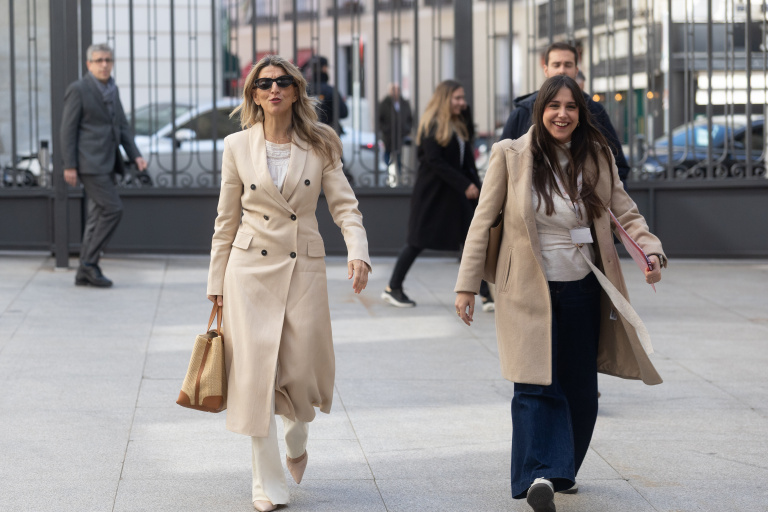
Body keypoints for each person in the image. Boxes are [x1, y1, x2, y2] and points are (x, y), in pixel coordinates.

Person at [454, 75, 667, 512]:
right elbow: (482, 221)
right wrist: (467, 285)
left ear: (580, 113)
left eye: (571, 106)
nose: (563, 114)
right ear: (540, 110)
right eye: (554, 106)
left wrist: (651, 250)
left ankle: (560, 469)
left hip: (583, 286)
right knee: (534, 384)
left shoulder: (597, 155)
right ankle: (538, 475)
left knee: (581, 391)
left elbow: (625, 210)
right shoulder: (510, 156)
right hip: (526, 288)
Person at [206, 55, 371, 512]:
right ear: (253, 95)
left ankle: (296, 437)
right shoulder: (236, 145)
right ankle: (266, 483)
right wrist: (216, 280)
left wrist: (357, 249)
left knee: (299, 374)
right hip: (248, 270)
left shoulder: (321, 143)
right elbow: (226, 219)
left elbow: (344, 206)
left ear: (296, 90)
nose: (273, 89)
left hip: (303, 267)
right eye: (263, 84)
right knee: (256, 375)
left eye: (282, 82)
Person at [382, 80, 492, 309]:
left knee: (472, 240)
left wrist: (475, 186)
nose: (463, 103)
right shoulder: (433, 124)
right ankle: (393, 287)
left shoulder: (458, 123)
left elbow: (466, 160)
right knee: (416, 241)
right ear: (445, 99)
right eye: (458, 98)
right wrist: (465, 184)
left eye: (463, 98)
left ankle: (484, 293)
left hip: (456, 194)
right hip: (434, 195)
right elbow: (434, 161)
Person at [60, 43, 148, 287]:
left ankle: (84, 270)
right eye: (98, 60)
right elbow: (67, 130)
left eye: (107, 60)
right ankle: (88, 263)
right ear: (89, 64)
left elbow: (121, 126)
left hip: (108, 162)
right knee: (112, 209)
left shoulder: (112, 88)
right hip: (89, 163)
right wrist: (69, 165)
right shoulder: (78, 89)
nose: (104, 64)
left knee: (97, 215)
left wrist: (135, 155)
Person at [501, 42, 630, 183]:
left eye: (567, 65)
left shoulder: (595, 111)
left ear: (576, 70)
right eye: (556, 65)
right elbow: (503, 165)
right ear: (546, 69)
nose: (562, 70)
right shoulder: (522, 112)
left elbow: (617, 165)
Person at [378, 82, 413, 173]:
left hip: (401, 135)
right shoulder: (384, 103)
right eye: (393, 90)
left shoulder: (404, 103)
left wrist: (407, 129)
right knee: (387, 155)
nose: (395, 92)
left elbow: (410, 118)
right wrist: (385, 129)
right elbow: (379, 119)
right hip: (388, 136)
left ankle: (400, 177)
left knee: (399, 157)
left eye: (397, 90)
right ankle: (385, 175)